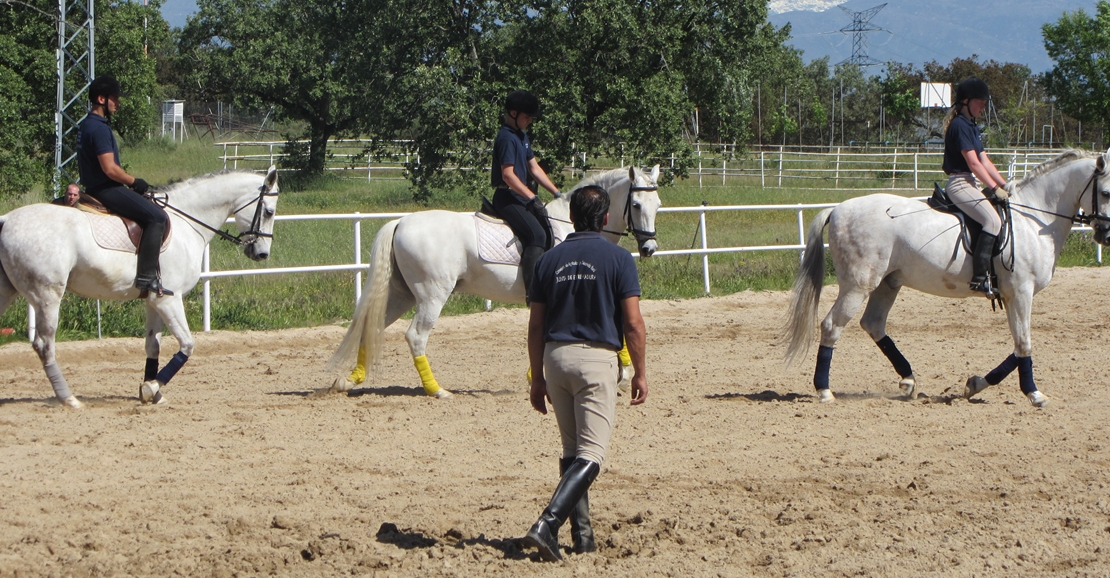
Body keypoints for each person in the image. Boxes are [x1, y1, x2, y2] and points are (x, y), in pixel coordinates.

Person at [521, 185, 648, 562]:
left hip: (555, 358)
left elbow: (534, 327)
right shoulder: (619, 258)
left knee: (572, 451)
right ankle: (547, 523)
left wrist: (536, 376)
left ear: (572, 217)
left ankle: (584, 537)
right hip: (596, 361)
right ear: (606, 218)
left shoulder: (547, 260)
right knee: (592, 455)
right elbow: (634, 324)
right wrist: (640, 371)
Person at [76, 75, 173, 296]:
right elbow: (109, 168)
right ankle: (147, 278)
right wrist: (134, 182)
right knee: (157, 217)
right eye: (114, 99)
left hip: (94, 187)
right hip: (107, 189)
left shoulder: (86, 125)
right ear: (101, 99)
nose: (117, 103)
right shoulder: (100, 129)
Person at [491, 89, 561, 302]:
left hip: (520, 197)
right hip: (507, 197)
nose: (530, 120)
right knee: (536, 235)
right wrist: (532, 197)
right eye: (527, 116)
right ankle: (533, 293)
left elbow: (534, 168)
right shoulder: (506, 138)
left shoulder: (522, 136)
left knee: (550, 230)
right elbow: (508, 175)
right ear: (513, 113)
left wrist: (558, 193)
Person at [942, 76, 1009, 297]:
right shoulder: (960, 126)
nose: (983, 106)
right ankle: (980, 278)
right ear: (966, 102)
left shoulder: (971, 126)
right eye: (980, 102)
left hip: (970, 182)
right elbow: (973, 163)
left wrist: (1004, 184)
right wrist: (993, 188)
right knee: (992, 220)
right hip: (960, 183)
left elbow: (985, 160)